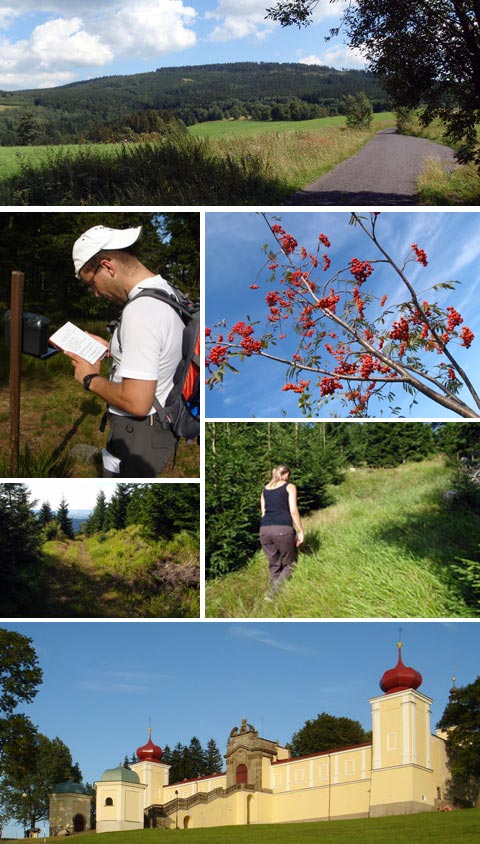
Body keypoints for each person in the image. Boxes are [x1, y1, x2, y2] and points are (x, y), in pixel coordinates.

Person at [68, 224, 184, 477]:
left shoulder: (141, 311)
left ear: (108, 266)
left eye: (91, 283)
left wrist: (89, 379)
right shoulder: (166, 291)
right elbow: (160, 347)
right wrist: (113, 348)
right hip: (157, 426)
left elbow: (137, 402)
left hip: (138, 432)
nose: (96, 293)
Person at [260, 464, 304, 600]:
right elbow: (293, 510)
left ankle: (272, 594)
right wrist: (301, 531)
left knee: (274, 564)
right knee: (290, 563)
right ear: (285, 475)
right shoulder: (289, 487)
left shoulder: (265, 490)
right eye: (288, 475)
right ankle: (273, 593)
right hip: (283, 528)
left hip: (264, 530)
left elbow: (263, 513)